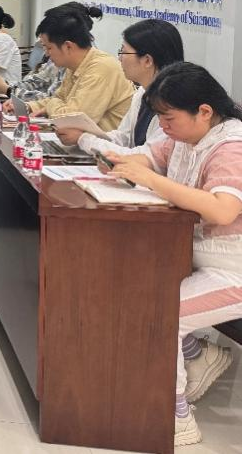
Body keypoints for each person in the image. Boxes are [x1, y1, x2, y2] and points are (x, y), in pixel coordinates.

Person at [100, 63, 242, 446]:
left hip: (234, 271)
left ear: (205, 111)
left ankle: (176, 418)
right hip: (197, 257)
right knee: (134, 284)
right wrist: (125, 163)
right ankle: (197, 355)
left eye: (168, 118)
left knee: (162, 312)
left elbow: (223, 210)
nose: (162, 126)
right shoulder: (186, 136)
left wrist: (151, 180)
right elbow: (149, 155)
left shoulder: (231, 147)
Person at [61, 19, 184, 151]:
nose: (119, 58)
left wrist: (84, 139)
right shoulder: (143, 93)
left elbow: (144, 156)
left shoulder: (174, 104)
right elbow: (123, 138)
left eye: (123, 52)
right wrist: (85, 137)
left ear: (147, 60)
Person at [24, 4, 133, 130]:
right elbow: (59, 99)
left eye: (49, 48)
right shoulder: (75, 65)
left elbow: (74, 120)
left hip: (105, 141)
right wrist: (30, 106)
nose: (46, 54)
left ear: (68, 46)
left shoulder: (101, 68)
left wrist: (52, 105)